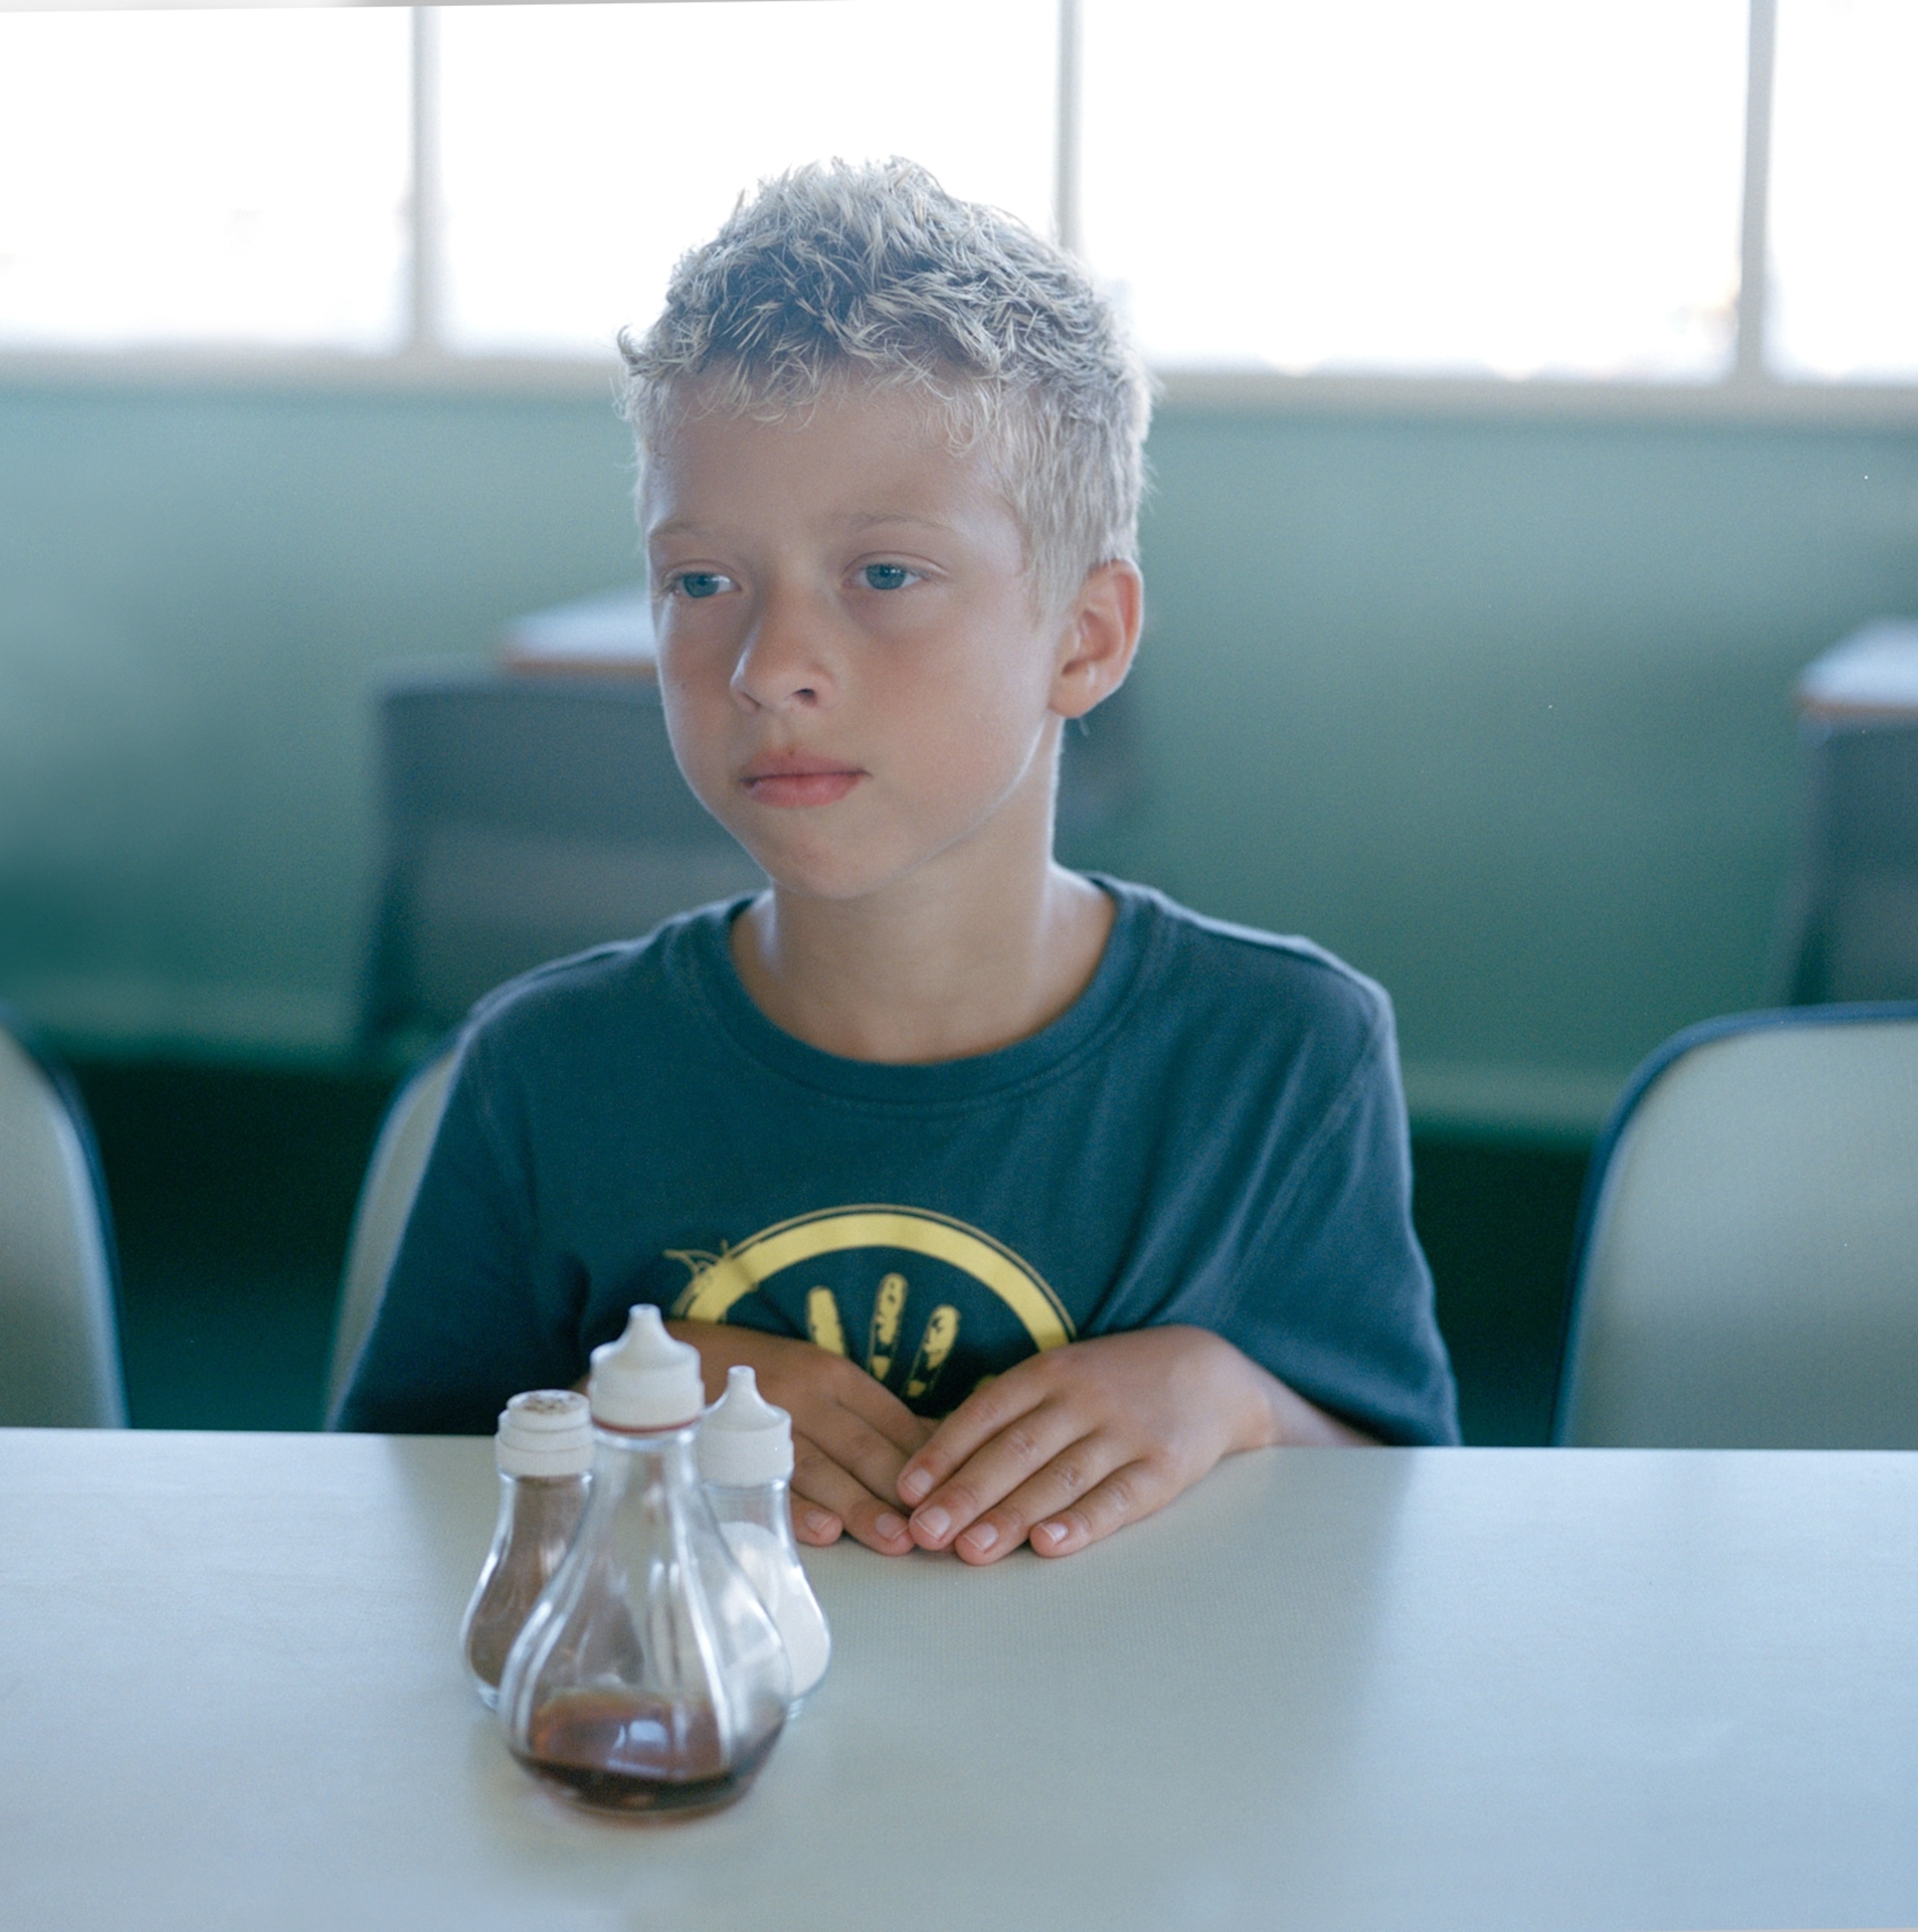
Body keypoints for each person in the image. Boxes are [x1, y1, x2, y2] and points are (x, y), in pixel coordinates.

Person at [335, 159, 1458, 1563]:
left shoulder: (1284, 1056)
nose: (769, 665)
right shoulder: (546, 1073)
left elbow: (1411, 1525)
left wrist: (1236, 1404)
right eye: (702, 582)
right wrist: (619, 1406)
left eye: (882, 574)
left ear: (1085, 638)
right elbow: (395, 1515)